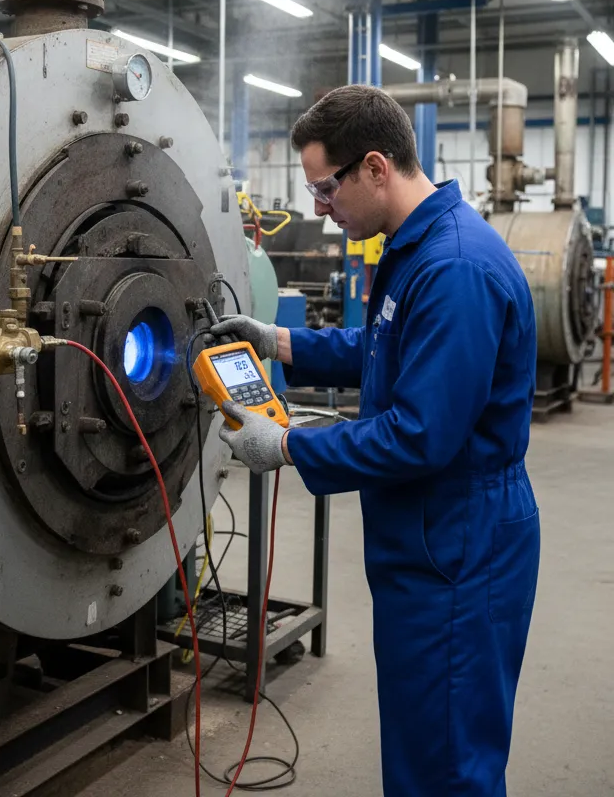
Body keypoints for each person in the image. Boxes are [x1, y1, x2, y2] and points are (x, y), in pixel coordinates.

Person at [214, 85, 540, 797]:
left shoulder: (454, 268)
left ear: (374, 168)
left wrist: (289, 446)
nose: (318, 209)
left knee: (446, 766)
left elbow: (419, 436)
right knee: (425, 745)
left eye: (324, 189)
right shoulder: (416, 246)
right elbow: (382, 347)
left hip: (460, 542)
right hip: (430, 539)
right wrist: (279, 341)